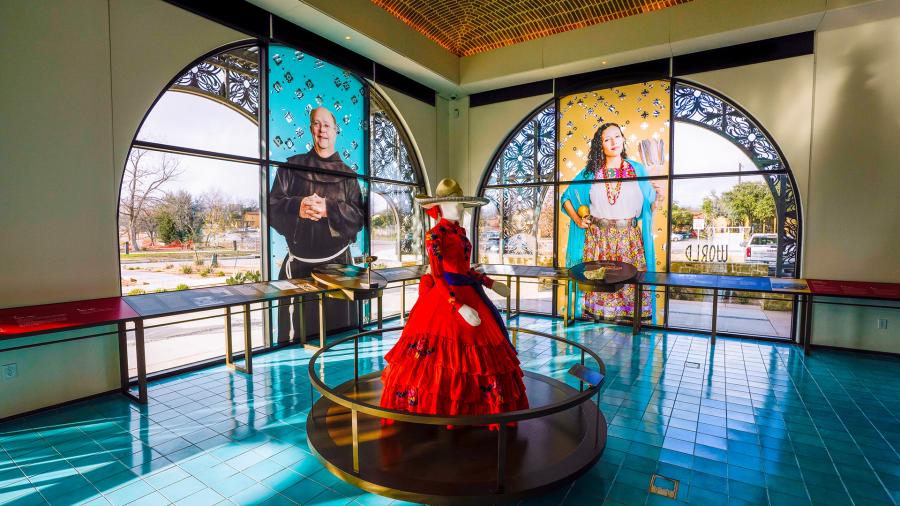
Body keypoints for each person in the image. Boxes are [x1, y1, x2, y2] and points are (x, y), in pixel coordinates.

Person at [380, 178, 529, 420]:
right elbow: (439, 275)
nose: (459, 208)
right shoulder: (434, 235)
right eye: (454, 203)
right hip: (446, 298)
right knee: (439, 358)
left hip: (469, 291)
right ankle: (441, 410)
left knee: (482, 356)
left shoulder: (460, 232)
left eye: (461, 203)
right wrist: (459, 306)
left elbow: (464, 270)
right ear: (440, 206)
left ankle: (479, 410)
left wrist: (491, 284)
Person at [269, 107, 365, 343]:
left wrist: (328, 209)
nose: (322, 129)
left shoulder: (348, 177)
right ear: (311, 129)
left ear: (335, 130)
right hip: (301, 268)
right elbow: (271, 208)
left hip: (339, 268)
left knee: (340, 338)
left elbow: (359, 218)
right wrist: (297, 206)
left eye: (326, 125)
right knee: (303, 337)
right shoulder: (291, 168)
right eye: (316, 124)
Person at [561, 122, 656, 321]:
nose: (613, 142)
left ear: (623, 139)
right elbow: (566, 197)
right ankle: (596, 326)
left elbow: (648, 208)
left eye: (617, 136)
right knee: (599, 285)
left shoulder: (637, 169)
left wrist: (660, 197)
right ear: (600, 145)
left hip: (628, 240)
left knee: (631, 286)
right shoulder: (590, 172)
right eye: (607, 139)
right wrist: (578, 220)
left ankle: (633, 327)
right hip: (599, 239)